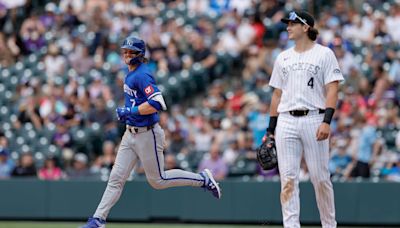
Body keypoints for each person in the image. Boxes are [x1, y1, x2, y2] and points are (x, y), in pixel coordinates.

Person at [82, 36, 221, 228]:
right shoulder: (129, 72)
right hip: (130, 133)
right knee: (115, 178)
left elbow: (157, 103)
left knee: (158, 180)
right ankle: (98, 219)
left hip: (147, 134)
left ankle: (202, 179)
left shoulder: (142, 74)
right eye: (126, 51)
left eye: (132, 52)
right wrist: (129, 113)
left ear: (140, 54)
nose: (127, 55)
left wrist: (129, 111)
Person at [264, 11, 344, 228]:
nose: (288, 27)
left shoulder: (324, 54)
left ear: (306, 27)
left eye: (293, 23)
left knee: (320, 179)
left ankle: (329, 225)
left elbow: (332, 89)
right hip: (286, 121)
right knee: (288, 179)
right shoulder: (283, 57)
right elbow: (277, 95)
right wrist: (270, 130)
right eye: (287, 23)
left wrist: (327, 120)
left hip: (314, 118)